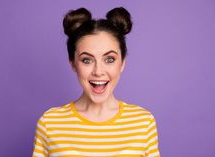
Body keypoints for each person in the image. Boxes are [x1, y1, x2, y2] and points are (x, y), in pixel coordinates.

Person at [32, 7, 160, 157]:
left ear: (123, 62)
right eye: (87, 60)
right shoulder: (50, 123)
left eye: (109, 59)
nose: (98, 71)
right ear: (73, 63)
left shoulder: (143, 123)